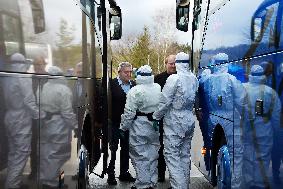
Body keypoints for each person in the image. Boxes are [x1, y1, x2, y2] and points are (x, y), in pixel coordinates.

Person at [153, 52, 199, 189]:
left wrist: (156, 117)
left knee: (172, 155)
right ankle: (184, 185)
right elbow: (196, 99)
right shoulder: (193, 78)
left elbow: (165, 101)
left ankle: (178, 186)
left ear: (178, 63)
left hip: (175, 120)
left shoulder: (174, 79)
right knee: (184, 156)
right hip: (189, 119)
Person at [207, 53, 246, 189]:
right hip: (231, 120)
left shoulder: (209, 80)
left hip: (214, 118)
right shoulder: (231, 79)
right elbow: (242, 101)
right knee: (235, 156)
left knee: (220, 152)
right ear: (227, 63)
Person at [3, 53, 41, 189]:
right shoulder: (22, 76)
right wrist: (39, 115)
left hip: (9, 116)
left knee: (13, 152)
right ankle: (12, 185)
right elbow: (29, 100)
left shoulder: (6, 76)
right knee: (22, 153)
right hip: (21, 118)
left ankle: (15, 182)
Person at [120, 65, 161, 189]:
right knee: (153, 154)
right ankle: (152, 183)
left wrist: (123, 127)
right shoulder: (157, 87)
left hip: (139, 125)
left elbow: (129, 112)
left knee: (140, 156)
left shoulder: (135, 91)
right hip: (154, 124)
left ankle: (142, 184)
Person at [242, 65, 281, 188]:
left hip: (246, 131)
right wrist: (277, 134)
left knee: (247, 158)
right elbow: (276, 118)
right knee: (262, 161)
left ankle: (248, 184)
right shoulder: (270, 92)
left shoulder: (242, 89)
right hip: (264, 132)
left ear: (251, 75)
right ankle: (259, 185)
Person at [39, 66, 77, 189]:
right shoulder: (64, 90)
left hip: (45, 123)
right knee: (58, 155)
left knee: (47, 154)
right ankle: (51, 183)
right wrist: (75, 125)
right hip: (59, 125)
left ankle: (47, 180)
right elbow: (67, 112)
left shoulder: (42, 87)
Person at [107, 62, 135, 185]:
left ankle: (124, 173)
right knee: (112, 149)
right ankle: (111, 174)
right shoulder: (111, 84)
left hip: (128, 124)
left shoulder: (134, 85)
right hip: (114, 123)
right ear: (119, 72)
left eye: (130, 72)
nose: (129, 74)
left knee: (126, 149)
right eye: (126, 72)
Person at [154, 54, 176, 182]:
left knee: (174, 148)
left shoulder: (181, 77)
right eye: (170, 63)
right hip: (162, 118)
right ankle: (160, 173)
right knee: (161, 146)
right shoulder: (158, 78)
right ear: (166, 64)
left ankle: (175, 176)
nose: (173, 66)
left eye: (174, 63)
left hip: (176, 119)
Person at [29, 56, 48, 179]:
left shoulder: (50, 78)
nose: (37, 67)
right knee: (33, 144)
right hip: (34, 118)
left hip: (47, 117)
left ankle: (46, 171)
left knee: (47, 145)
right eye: (35, 64)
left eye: (39, 64)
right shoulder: (30, 79)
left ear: (44, 65)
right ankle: (34, 170)